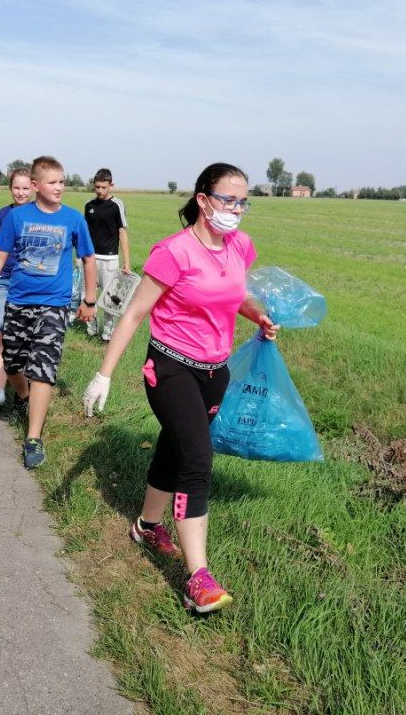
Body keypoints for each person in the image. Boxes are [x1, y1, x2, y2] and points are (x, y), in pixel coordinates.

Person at [81, 162, 277, 614]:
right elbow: (134, 314)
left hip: (215, 372)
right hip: (170, 368)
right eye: (228, 200)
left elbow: (233, 294)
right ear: (203, 200)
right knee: (197, 460)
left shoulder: (240, 245)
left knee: (176, 446)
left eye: (243, 201)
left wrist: (257, 316)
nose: (236, 209)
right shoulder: (173, 252)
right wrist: (104, 373)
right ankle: (198, 579)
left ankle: (147, 526)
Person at [0, 156, 98, 468]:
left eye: (62, 181)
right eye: (52, 182)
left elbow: (88, 259)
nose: (59, 187)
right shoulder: (17, 217)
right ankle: (23, 397)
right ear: (36, 185)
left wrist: (89, 300)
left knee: (43, 367)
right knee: (12, 363)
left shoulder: (73, 219)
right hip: (18, 301)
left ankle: (33, 437)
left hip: (54, 304)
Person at [0, 168, 33, 409]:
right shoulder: (3, 214)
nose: (20, 193)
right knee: (2, 334)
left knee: (29, 337)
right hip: (5, 281)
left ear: (33, 188)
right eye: (16, 188)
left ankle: (26, 389)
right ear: (10, 188)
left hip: (30, 282)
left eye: (25, 188)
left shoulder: (39, 214)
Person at [83, 168, 131, 341]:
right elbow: (85, 232)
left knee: (110, 298)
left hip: (110, 259)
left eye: (103, 187)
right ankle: (91, 329)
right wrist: (81, 255)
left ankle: (108, 335)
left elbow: (122, 232)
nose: (100, 190)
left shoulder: (117, 204)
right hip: (90, 258)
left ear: (111, 185)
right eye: (97, 187)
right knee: (87, 295)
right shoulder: (89, 205)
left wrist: (127, 262)